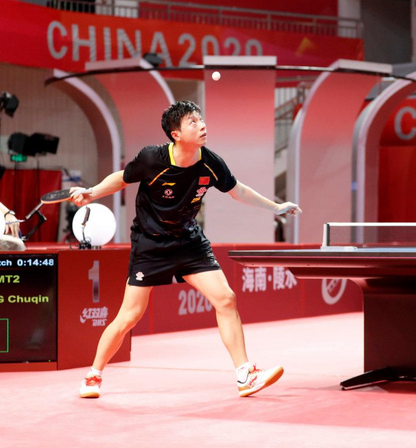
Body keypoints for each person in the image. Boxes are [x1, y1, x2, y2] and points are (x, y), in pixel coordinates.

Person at [71, 101, 302, 399]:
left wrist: (276, 207)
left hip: (189, 242)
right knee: (129, 316)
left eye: (201, 119)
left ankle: (245, 375)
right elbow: (123, 178)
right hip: (151, 244)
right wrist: (91, 193)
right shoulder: (152, 158)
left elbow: (238, 191)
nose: (202, 125)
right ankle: (93, 375)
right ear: (176, 134)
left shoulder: (211, 162)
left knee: (226, 299)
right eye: (193, 122)